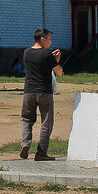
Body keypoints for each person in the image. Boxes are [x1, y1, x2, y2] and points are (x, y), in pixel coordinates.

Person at [20, 27, 63, 161]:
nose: (50, 41)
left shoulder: (26, 52)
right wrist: (56, 60)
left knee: (27, 119)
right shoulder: (47, 54)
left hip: (28, 90)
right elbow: (59, 72)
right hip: (44, 91)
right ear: (42, 39)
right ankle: (41, 152)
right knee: (46, 121)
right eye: (49, 38)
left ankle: (26, 142)